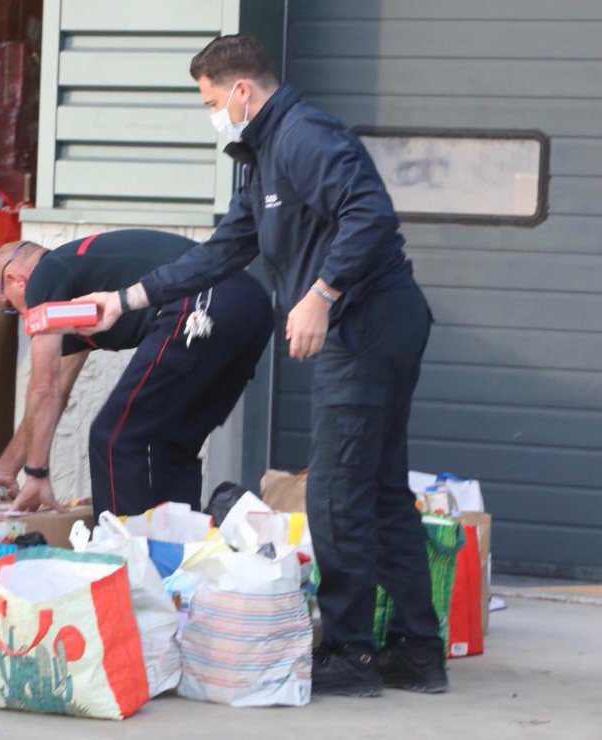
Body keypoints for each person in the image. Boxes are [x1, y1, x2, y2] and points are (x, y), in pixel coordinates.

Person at [79, 35, 445, 697]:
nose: (212, 113)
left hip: (368, 323)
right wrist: (126, 298)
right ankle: (418, 650)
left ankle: (351, 655)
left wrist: (321, 294)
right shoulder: (262, 159)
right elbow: (220, 253)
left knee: (337, 496)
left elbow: (370, 213)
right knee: (383, 488)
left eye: (212, 100)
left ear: (242, 90)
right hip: (371, 324)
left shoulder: (301, 136)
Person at [0, 230, 273, 520]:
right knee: (172, 442)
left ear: (15, 280)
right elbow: (52, 395)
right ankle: (175, 555)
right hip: (252, 305)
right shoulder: (76, 278)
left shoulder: (45, 273)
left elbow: (44, 388)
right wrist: (7, 469)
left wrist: (37, 474)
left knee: (113, 436)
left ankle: (123, 556)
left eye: (9, 307)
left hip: (202, 302)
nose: (20, 314)